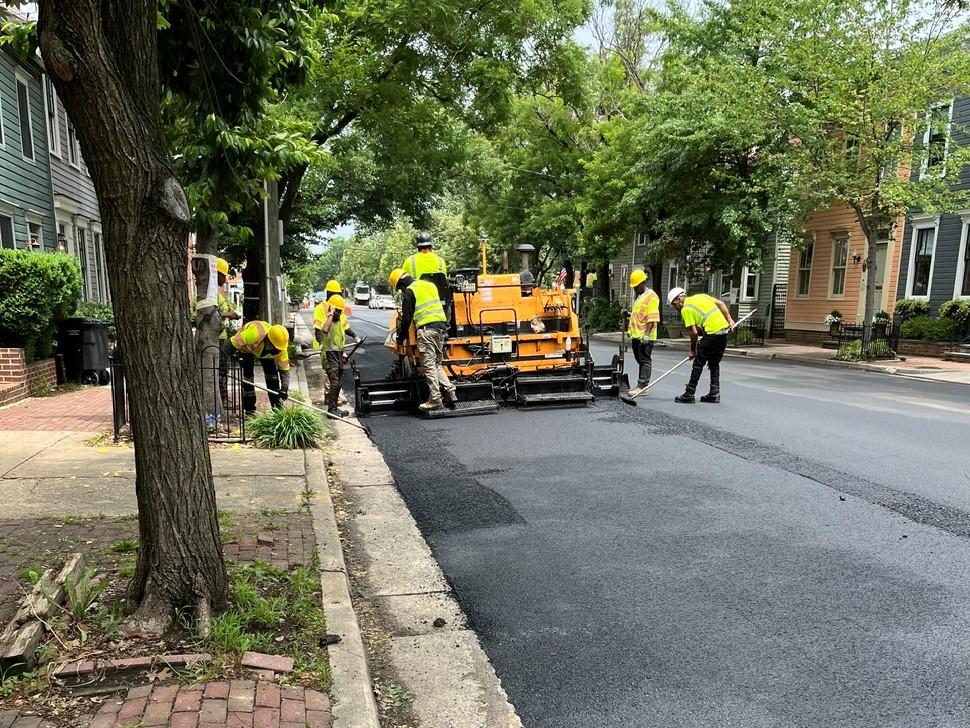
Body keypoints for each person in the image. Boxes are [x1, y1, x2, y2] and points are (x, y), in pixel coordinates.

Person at [389, 268, 457, 411]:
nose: (400, 291)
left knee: (429, 365)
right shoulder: (429, 285)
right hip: (441, 329)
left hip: (427, 331)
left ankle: (435, 399)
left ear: (401, 284)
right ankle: (450, 391)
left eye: (399, 288)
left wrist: (400, 339)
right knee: (437, 364)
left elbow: (407, 318)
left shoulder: (409, 292)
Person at [667, 287, 736, 404]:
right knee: (714, 363)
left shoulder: (685, 309)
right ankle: (714, 393)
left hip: (712, 333)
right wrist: (730, 321)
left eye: (674, 304)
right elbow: (721, 303)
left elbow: (693, 332)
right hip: (723, 333)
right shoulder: (701, 296)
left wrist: (692, 350)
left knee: (698, 364)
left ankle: (689, 393)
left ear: (679, 299)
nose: (675, 308)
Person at [227, 321, 290, 415]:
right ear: (268, 340)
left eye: (279, 349)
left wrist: (284, 389)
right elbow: (231, 344)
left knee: (273, 377)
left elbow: (284, 370)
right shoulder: (253, 334)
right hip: (246, 349)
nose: (277, 350)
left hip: (264, 351)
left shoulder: (281, 347)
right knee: (248, 377)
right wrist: (221, 364)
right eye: (275, 348)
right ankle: (249, 409)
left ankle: (277, 410)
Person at [627, 270, 660, 398]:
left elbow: (652, 318)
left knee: (645, 360)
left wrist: (646, 335)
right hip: (636, 335)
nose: (634, 288)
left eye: (636, 286)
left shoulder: (652, 297)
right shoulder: (640, 297)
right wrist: (628, 315)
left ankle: (642, 387)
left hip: (645, 336)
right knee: (640, 360)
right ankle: (641, 385)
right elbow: (640, 315)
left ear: (643, 283)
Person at [317, 294, 350, 417]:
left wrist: (344, 354)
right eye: (338, 311)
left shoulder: (339, 321)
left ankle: (335, 408)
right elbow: (324, 330)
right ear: (332, 309)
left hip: (338, 354)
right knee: (334, 382)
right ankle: (331, 410)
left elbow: (340, 340)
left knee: (339, 383)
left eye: (340, 311)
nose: (339, 314)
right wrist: (330, 314)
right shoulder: (328, 321)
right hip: (329, 355)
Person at [401, 231, 449, 313]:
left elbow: (403, 281)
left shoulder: (410, 261)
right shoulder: (441, 261)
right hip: (439, 304)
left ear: (418, 247)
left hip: (418, 303)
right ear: (431, 247)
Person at [216, 258, 241, 406]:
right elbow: (205, 313)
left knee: (224, 369)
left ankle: (223, 397)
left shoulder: (218, 295)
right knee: (221, 369)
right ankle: (222, 399)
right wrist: (228, 315)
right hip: (216, 339)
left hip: (221, 336)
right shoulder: (209, 294)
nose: (225, 279)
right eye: (223, 275)